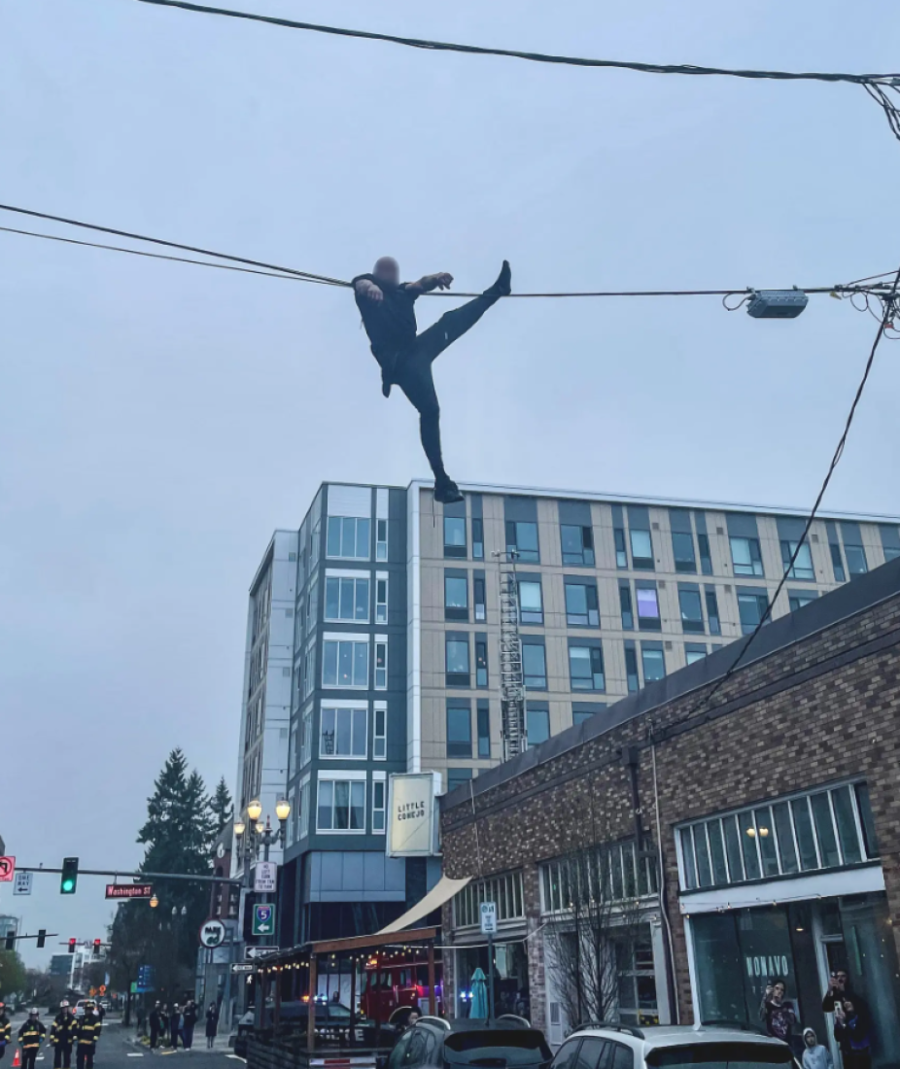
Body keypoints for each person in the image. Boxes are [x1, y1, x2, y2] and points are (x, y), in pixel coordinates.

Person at [352, 258, 512, 505]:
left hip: (416, 350)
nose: (392, 276)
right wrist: (369, 287)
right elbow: (361, 284)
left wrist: (436, 278)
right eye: (387, 273)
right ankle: (441, 480)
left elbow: (419, 284)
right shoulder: (367, 289)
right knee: (430, 411)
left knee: (450, 321)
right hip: (400, 363)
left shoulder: (403, 291)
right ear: (377, 275)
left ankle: (497, 291)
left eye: (395, 272)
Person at [835, 998, 873, 1069]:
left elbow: (857, 1036)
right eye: (843, 1002)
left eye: (848, 1000)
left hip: (862, 1057)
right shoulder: (846, 1018)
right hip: (849, 1058)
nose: (845, 1003)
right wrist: (838, 1022)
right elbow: (837, 1037)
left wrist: (844, 1024)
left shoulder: (862, 1017)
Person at [758, 979, 797, 1043]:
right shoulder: (768, 1005)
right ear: (773, 990)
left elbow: (792, 1021)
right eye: (777, 988)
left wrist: (782, 1006)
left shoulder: (788, 1005)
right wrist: (766, 996)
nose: (779, 991)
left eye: (782, 990)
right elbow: (761, 1017)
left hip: (787, 1042)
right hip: (774, 1042)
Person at [73, 1004, 100, 1069]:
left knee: (89, 1060)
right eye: (86, 1009)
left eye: (88, 1010)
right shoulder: (81, 1018)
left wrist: (94, 1040)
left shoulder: (95, 1019)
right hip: (81, 1043)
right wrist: (75, 1038)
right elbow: (77, 1029)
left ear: (91, 1010)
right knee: (79, 1060)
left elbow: (97, 1031)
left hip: (90, 1043)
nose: (87, 1011)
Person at [50, 1002, 76, 1069]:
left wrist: (74, 1038)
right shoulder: (58, 1018)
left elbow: (75, 1029)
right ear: (61, 1009)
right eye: (63, 1008)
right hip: (58, 1041)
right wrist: (52, 1039)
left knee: (67, 1058)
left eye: (66, 1008)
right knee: (57, 1058)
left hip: (68, 1041)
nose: (64, 1009)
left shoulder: (71, 1018)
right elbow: (53, 1029)